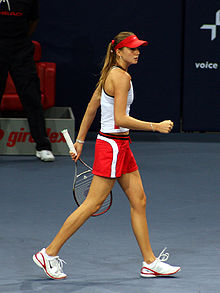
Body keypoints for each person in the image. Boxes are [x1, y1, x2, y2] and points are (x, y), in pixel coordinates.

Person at [33, 31, 181, 278]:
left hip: (120, 145)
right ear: (118, 51)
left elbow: (92, 107)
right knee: (93, 204)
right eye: (132, 48)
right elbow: (121, 118)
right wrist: (156, 126)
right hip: (112, 146)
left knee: (139, 200)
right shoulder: (120, 77)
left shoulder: (111, 74)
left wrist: (80, 140)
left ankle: (149, 262)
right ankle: (48, 253)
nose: (137, 52)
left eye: (138, 48)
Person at [0, 0, 54, 161]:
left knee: (32, 98)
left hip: (21, 50)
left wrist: (20, 40)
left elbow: (33, 20)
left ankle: (42, 146)